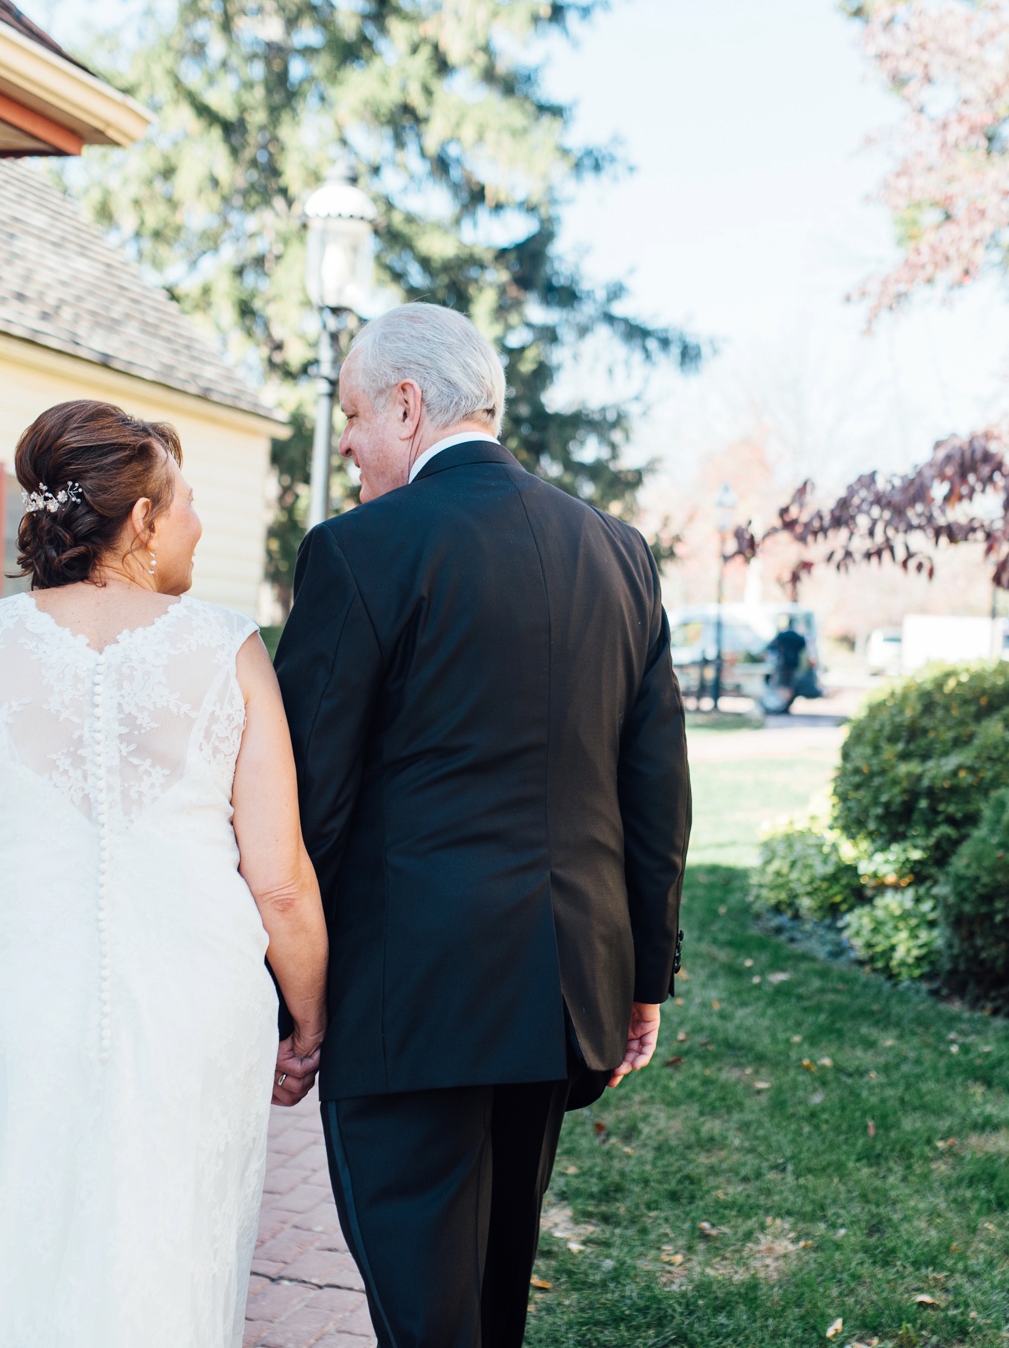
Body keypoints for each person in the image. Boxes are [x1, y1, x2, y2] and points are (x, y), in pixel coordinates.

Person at [275, 303, 691, 1348]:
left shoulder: (357, 552)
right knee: (492, 1298)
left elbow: (302, 798)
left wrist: (287, 999)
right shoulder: (617, 550)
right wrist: (643, 972)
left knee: (423, 1315)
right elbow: (655, 790)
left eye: (356, 414)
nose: (355, 443)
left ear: (406, 404)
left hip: (408, 1001)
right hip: (559, 996)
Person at [0, 399, 328, 1348]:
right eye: (188, 501)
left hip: (13, 994)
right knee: (173, 1251)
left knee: (12, 1247)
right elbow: (281, 878)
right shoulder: (229, 646)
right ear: (140, 520)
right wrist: (311, 1017)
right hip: (195, 1003)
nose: (199, 522)